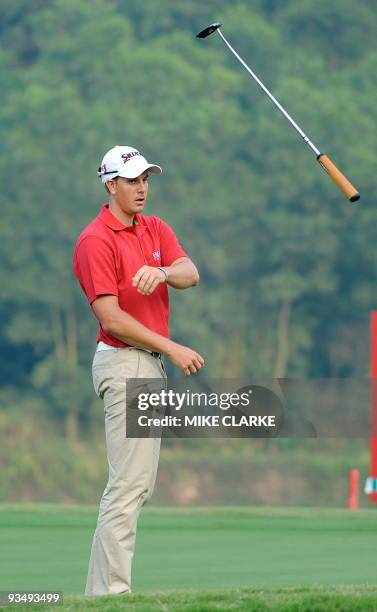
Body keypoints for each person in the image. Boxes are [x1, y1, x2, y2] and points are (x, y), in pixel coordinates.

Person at [73, 145, 204, 596]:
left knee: (136, 486)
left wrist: (164, 272)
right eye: (132, 180)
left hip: (146, 366)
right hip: (125, 362)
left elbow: (190, 273)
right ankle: (111, 596)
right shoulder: (96, 240)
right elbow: (111, 319)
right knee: (128, 487)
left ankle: (100, 595)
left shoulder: (154, 228)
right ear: (110, 185)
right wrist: (172, 347)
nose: (142, 187)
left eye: (146, 178)